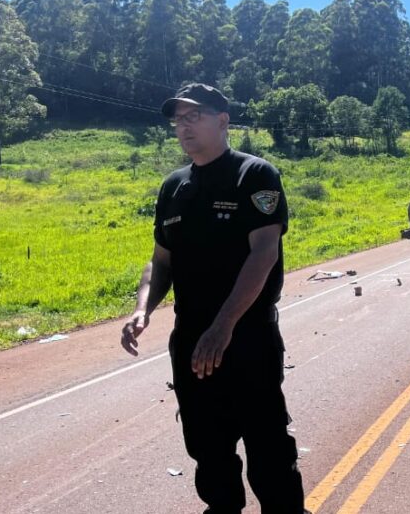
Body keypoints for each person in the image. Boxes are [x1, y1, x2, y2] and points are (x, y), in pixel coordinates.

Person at [120, 83, 307, 514]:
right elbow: (160, 261)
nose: (183, 126)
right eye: (178, 119)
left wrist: (223, 326)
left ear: (223, 121)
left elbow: (264, 253)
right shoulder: (174, 187)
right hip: (190, 339)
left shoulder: (254, 175)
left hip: (246, 337)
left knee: (268, 445)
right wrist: (141, 309)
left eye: (194, 116)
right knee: (207, 447)